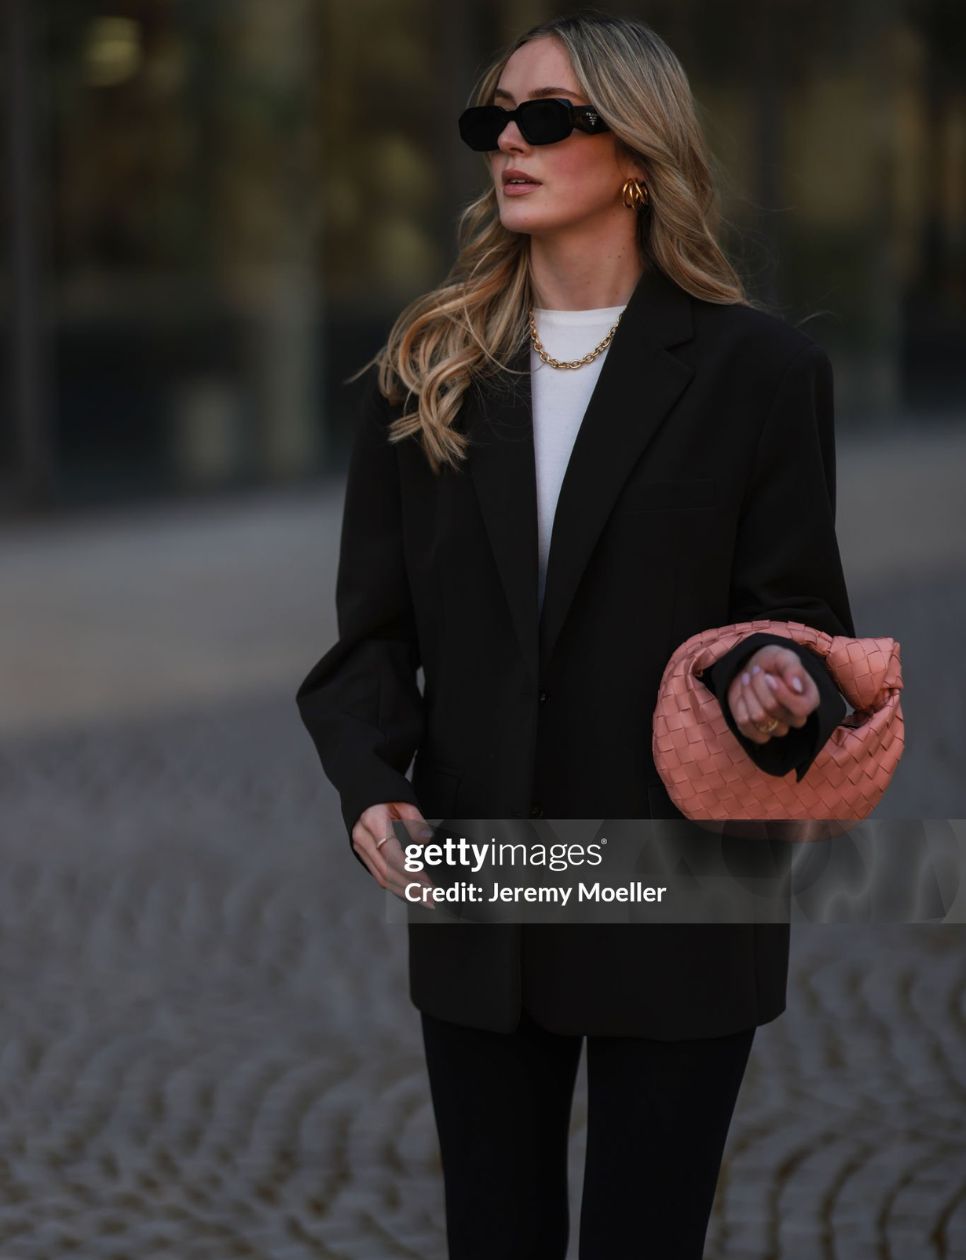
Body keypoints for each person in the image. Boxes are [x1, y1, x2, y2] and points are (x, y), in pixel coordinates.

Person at [296, 12, 854, 1259]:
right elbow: (369, 636)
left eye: (547, 117)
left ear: (638, 150)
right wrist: (369, 782)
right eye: (492, 117)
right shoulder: (427, 367)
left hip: (684, 875)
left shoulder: (758, 374)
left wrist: (780, 675)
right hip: (485, 877)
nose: (510, 139)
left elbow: (806, 618)